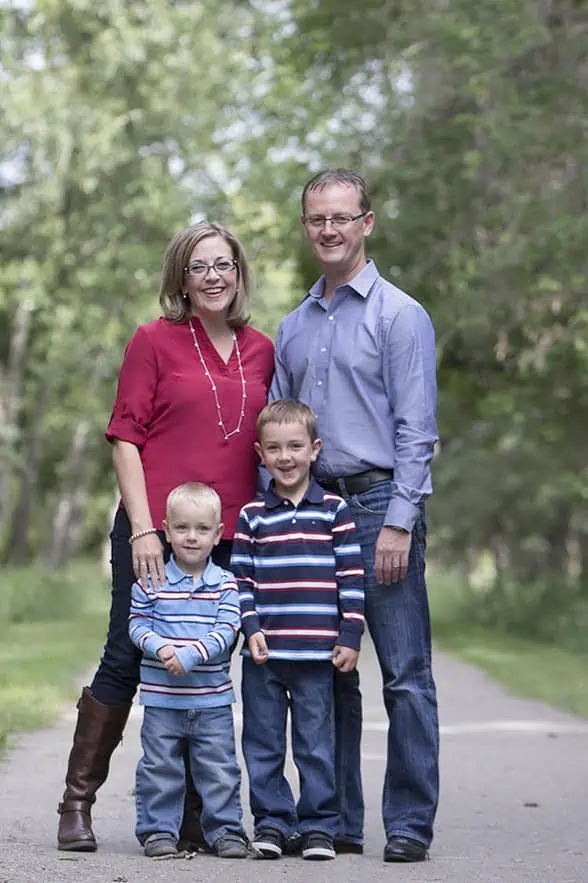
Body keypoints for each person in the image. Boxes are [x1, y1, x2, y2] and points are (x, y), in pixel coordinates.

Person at [57, 222, 274, 852]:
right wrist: (144, 528)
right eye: (200, 266)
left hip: (230, 532)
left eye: (224, 265)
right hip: (156, 530)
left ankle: (192, 817)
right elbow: (125, 436)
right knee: (128, 654)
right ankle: (77, 803)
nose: (213, 276)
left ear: (239, 273)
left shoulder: (262, 349)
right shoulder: (153, 340)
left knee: (208, 662)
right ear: (181, 277)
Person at [270, 169, 439, 863]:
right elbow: (278, 427)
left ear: (367, 222)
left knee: (403, 672)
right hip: (312, 510)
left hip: (378, 505)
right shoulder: (292, 326)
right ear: (307, 227)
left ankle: (409, 822)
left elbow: (417, 430)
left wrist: (400, 518)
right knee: (327, 669)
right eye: (317, 219)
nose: (329, 230)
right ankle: (336, 818)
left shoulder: (401, 315)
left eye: (342, 217)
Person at [231, 399, 365, 862]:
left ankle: (318, 827)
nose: (285, 457)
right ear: (260, 454)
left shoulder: (335, 511)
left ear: (314, 449)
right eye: (274, 448)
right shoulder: (252, 516)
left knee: (316, 746)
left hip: (317, 656)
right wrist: (251, 629)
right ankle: (271, 822)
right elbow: (241, 580)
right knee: (263, 744)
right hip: (265, 654)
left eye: (294, 446)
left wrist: (349, 637)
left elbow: (351, 579)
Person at [128, 482, 247, 859]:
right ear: (166, 530)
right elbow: (136, 624)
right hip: (162, 700)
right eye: (182, 528)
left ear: (217, 535)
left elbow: (227, 629)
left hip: (212, 701)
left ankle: (226, 831)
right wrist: (160, 647)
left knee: (219, 770)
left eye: (201, 529)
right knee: (160, 768)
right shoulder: (151, 581)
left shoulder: (226, 584)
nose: (191, 537)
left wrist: (193, 654)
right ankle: (158, 831)